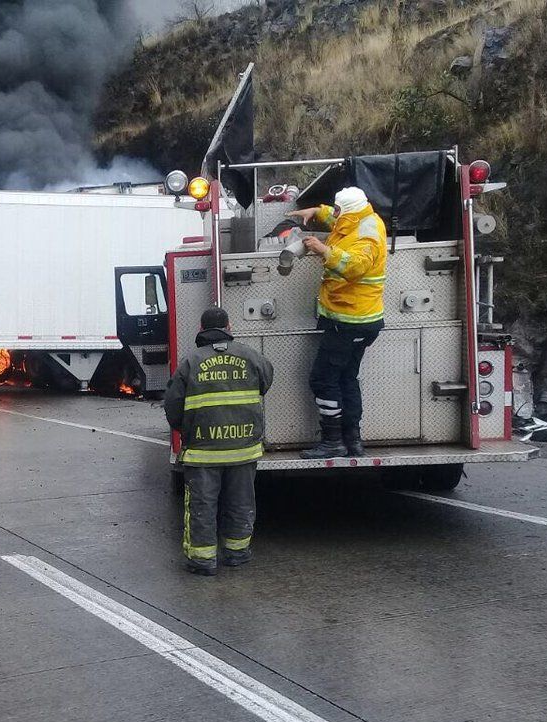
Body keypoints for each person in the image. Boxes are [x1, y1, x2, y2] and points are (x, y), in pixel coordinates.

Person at [164, 307, 274, 576]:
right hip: (243, 450)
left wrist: (185, 429)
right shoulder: (251, 356)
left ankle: (203, 560)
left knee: (202, 505)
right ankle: (237, 553)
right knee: (241, 502)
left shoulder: (191, 361)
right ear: (229, 326)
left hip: (203, 452)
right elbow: (266, 381)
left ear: (201, 329)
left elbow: (173, 404)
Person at [289, 186, 387, 459]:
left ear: (348, 210)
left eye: (337, 210)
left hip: (349, 321)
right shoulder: (362, 218)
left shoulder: (367, 235)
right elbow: (340, 223)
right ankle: (352, 440)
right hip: (358, 320)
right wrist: (317, 212)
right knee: (346, 378)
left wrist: (324, 251)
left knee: (322, 380)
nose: (335, 214)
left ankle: (333, 441)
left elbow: (356, 266)